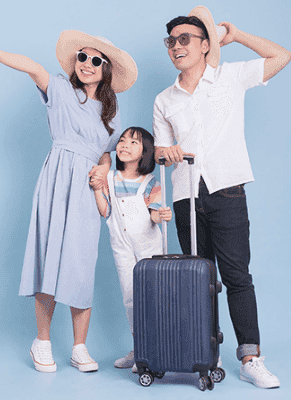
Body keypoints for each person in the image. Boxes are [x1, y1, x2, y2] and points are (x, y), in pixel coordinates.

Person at [0, 30, 138, 373]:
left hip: (89, 189)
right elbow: (32, 67)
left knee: (81, 260)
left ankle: (79, 347)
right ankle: (42, 341)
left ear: (105, 70)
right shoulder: (60, 89)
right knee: (48, 256)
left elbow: (107, 154)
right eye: (82, 57)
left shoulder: (110, 111)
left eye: (95, 60)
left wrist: (103, 172)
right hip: (58, 178)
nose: (87, 64)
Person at [152, 6, 291, 389]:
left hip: (226, 190)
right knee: (198, 279)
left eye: (185, 39)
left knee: (236, 276)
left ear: (204, 45)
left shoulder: (230, 77)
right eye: (171, 41)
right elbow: (160, 151)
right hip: (185, 195)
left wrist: (238, 35)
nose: (176, 47)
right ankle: (202, 353)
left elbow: (281, 56)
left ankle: (250, 357)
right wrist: (169, 152)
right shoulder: (165, 99)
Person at [88, 127, 172, 370]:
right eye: (122, 141)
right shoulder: (110, 179)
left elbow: (154, 215)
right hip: (121, 246)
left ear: (145, 152)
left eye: (133, 142)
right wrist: (97, 190)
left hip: (149, 248)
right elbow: (106, 211)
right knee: (130, 298)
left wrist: (162, 214)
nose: (124, 145)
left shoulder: (150, 182)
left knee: (152, 297)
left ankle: (153, 349)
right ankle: (139, 349)